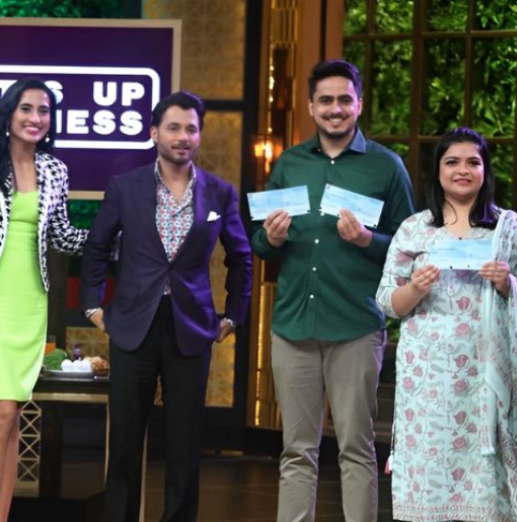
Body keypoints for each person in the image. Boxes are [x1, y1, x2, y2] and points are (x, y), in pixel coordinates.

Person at [251, 59, 415, 522]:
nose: (335, 108)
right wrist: (272, 239)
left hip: (355, 327)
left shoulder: (386, 166)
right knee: (296, 450)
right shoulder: (290, 163)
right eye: (326, 100)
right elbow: (259, 241)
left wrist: (366, 240)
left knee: (356, 449)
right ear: (311, 107)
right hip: (293, 326)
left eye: (345, 99)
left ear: (359, 104)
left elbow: (411, 246)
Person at [79, 90, 253, 522]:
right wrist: (92, 305)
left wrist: (234, 315)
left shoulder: (220, 193)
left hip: (190, 329)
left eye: (191, 129)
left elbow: (241, 257)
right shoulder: (125, 187)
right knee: (124, 441)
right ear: (154, 133)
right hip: (133, 326)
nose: (182, 136)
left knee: (184, 444)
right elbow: (96, 247)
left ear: (200, 135)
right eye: (173, 127)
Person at [376, 127, 517, 522]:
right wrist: (415, 288)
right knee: (430, 466)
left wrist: (509, 285)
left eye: (472, 162)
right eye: (452, 162)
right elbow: (387, 301)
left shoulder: (508, 228)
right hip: (426, 379)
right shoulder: (415, 228)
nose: (462, 170)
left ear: (485, 171)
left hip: (486, 376)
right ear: (438, 170)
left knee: (484, 476)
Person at [0, 78, 88, 520]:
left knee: (12, 414)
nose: (36, 118)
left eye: (44, 110)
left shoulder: (55, 169)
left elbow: (63, 236)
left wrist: (118, 234)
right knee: (1, 412)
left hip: (30, 300)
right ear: (9, 113)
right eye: (27, 108)